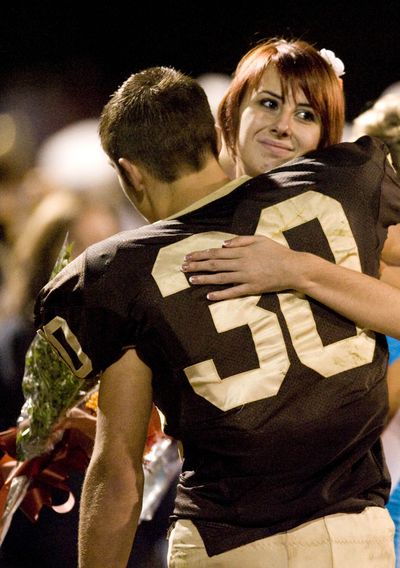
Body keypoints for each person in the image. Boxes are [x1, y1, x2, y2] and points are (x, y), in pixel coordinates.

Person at [32, 61, 400, 568]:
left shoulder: (118, 274)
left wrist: (299, 270)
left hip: (230, 542)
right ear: (216, 134)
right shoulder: (347, 189)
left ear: (129, 171)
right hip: (357, 537)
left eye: (303, 114)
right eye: (269, 105)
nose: (283, 129)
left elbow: (117, 475)